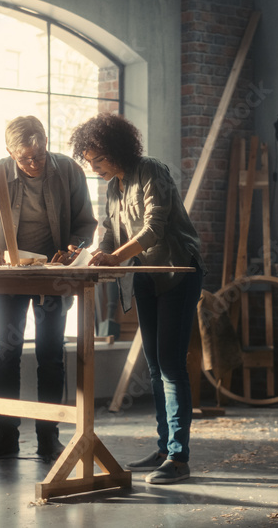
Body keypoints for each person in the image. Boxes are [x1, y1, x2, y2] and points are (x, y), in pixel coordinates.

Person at [69, 112, 204, 484]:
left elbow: (154, 228)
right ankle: (164, 449)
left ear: (117, 149)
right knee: (157, 367)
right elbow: (110, 234)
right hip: (145, 275)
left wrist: (116, 257)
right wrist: (95, 255)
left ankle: (179, 458)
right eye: (89, 161)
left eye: (99, 159)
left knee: (172, 366)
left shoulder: (151, 170)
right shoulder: (114, 186)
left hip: (177, 272)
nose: (94, 167)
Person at [0, 115, 97, 461]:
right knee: (6, 354)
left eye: (39, 156)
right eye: (25, 159)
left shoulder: (68, 170)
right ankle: (6, 434)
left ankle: (48, 437)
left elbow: (86, 222)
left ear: (46, 144)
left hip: (53, 275)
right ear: (9, 153)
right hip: (10, 274)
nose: (34, 164)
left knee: (50, 355)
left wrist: (74, 247)